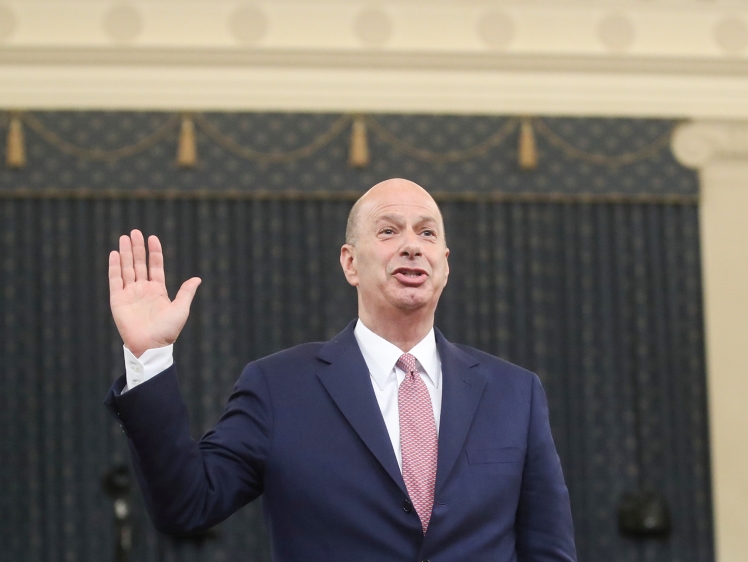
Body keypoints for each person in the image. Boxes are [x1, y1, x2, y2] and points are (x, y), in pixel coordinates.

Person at [104, 178, 577, 561]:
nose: (412, 246)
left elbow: (549, 551)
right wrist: (150, 357)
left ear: (445, 265)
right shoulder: (279, 387)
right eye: (388, 231)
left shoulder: (515, 393)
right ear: (350, 263)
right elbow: (187, 505)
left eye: (427, 233)